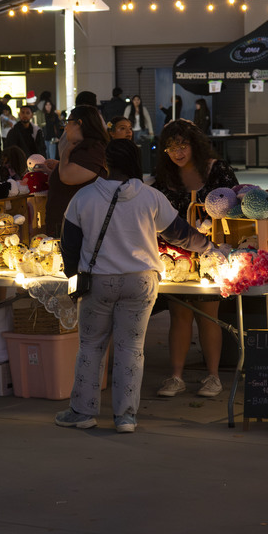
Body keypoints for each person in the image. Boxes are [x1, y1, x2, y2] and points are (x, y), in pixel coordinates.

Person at [56, 139, 219, 433]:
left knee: (91, 347)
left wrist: (73, 278)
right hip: (141, 282)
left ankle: (82, 412)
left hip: (98, 283)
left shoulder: (84, 197)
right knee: (131, 349)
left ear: (106, 163)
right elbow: (180, 234)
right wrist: (212, 248)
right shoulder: (150, 196)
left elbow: (69, 244)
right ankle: (126, 417)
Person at [153, 119, 239, 398]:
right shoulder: (165, 178)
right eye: (170, 148)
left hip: (212, 254)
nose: (177, 152)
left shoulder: (217, 170)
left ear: (195, 145)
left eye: (182, 145)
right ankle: (176, 376)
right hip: (175, 259)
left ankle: (213, 376)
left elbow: (237, 205)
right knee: (179, 314)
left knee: (208, 315)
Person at [45, 105, 109, 237]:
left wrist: (65, 153)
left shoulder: (92, 149)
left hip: (78, 228)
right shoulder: (84, 147)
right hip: (68, 224)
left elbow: (67, 176)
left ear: (79, 123)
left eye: (68, 122)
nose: (66, 127)